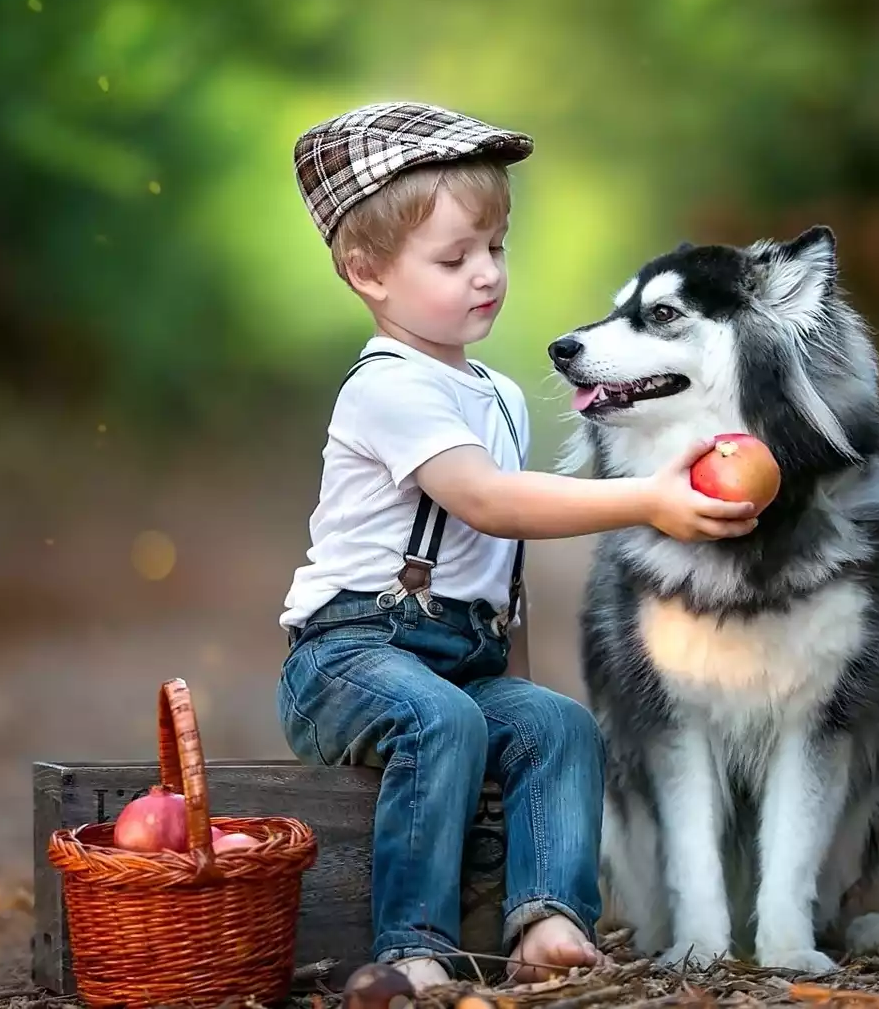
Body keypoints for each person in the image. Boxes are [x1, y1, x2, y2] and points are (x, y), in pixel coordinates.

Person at [277, 101, 759, 989]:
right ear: (368, 273)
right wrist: (646, 499)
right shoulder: (387, 387)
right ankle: (412, 947)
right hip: (347, 656)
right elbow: (490, 503)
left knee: (558, 725)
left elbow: (501, 570)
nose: (486, 275)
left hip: (460, 660)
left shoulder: (496, 392)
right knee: (443, 719)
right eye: (454, 259)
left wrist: (516, 682)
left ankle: (545, 920)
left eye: (496, 249)